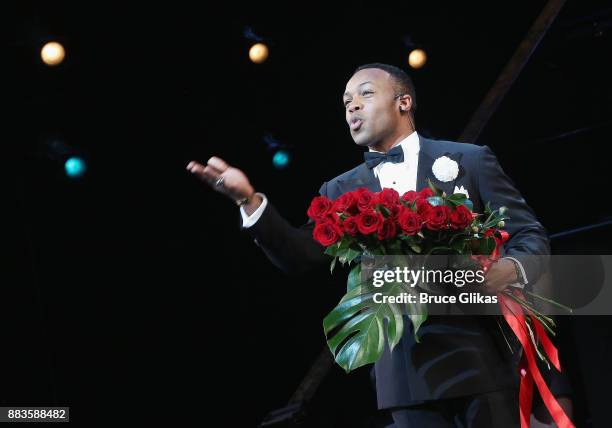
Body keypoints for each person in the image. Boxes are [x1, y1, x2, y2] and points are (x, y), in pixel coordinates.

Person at [186, 63, 550, 427]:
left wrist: (512, 268)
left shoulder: (468, 160)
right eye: (346, 101)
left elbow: (528, 233)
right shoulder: (341, 189)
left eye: (365, 93)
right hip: (405, 376)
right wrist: (248, 201)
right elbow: (299, 256)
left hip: (482, 354)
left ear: (403, 102)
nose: (352, 106)